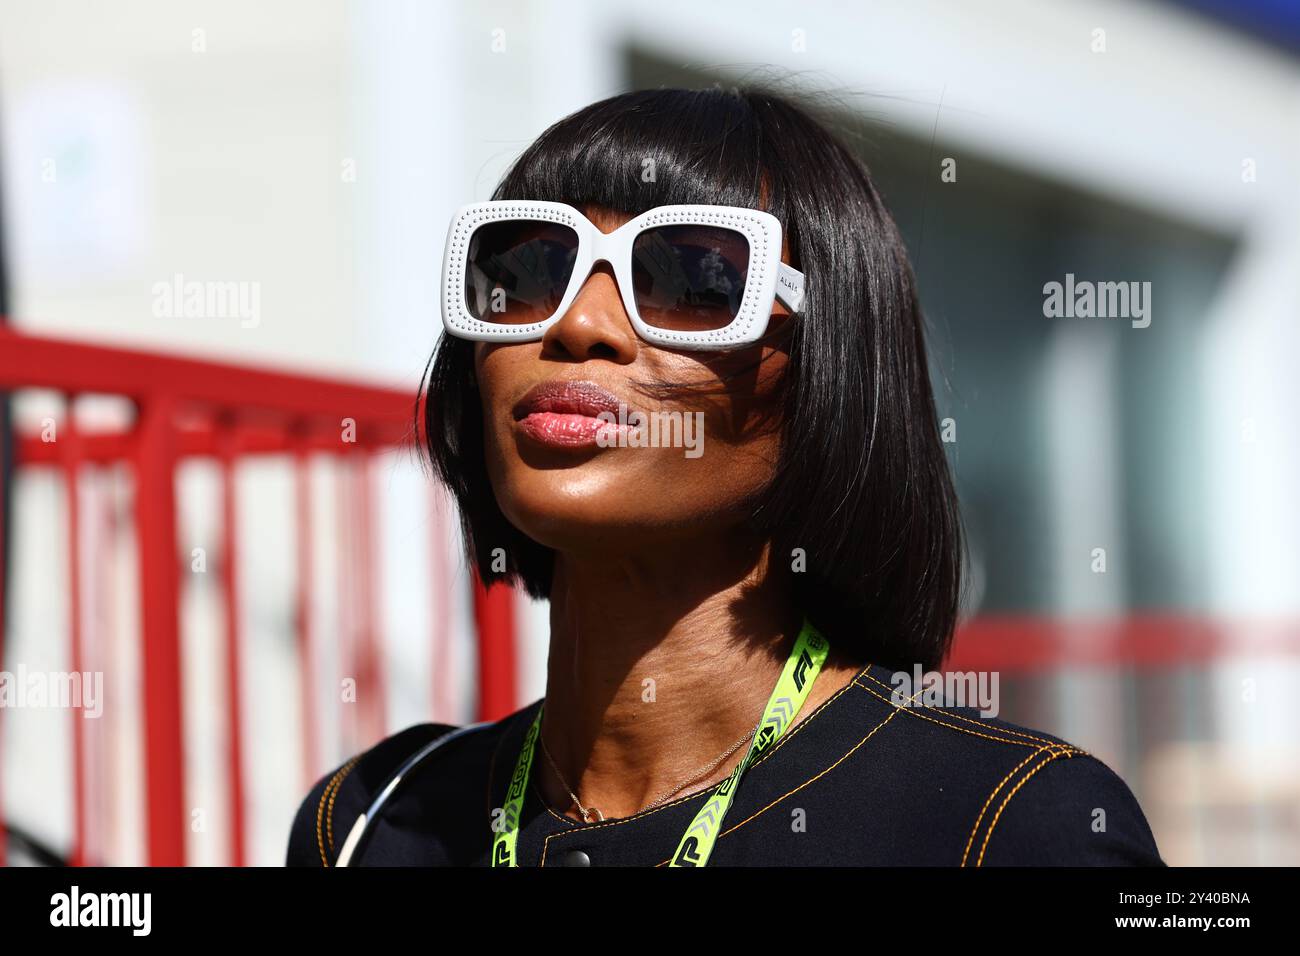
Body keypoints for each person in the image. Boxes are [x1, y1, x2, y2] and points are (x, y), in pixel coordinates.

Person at [286, 86, 1164, 867]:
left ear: (835, 367)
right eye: (529, 268)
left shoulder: (1009, 826)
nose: (583, 323)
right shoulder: (369, 822)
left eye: (695, 277)